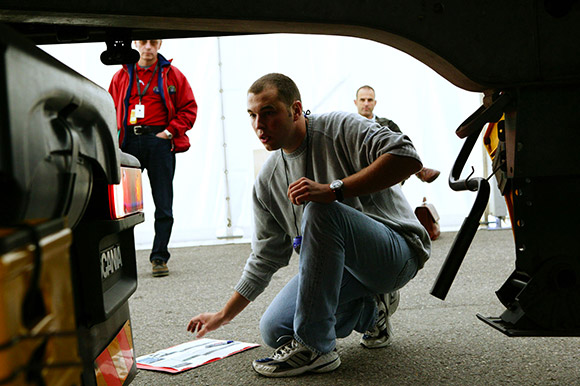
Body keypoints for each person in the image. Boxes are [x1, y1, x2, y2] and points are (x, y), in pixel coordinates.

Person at [187, 73, 431, 377]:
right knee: (274, 329)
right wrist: (223, 315)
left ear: (296, 109)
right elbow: (265, 257)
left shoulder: (340, 128)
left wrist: (334, 190)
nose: (259, 125)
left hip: (395, 252)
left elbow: (408, 158)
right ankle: (372, 311)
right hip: (343, 269)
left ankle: (316, 348)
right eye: (252, 115)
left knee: (320, 208)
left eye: (269, 112)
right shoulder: (267, 182)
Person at [109, 39, 197, 277]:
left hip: (158, 141)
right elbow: (109, 107)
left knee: (163, 203)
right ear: (136, 43)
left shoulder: (172, 75)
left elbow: (189, 108)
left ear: (159, 44)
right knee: (123, 206)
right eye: (144, 42)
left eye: (153, 42)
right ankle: (122, 260)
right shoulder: (122, 76)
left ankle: (159, 257)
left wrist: (168, 132)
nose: (148, 47)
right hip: (129, 142)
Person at [354, 85, 440, 183]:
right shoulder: (350, 127)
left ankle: (418, 169)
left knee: (397, 145)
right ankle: (419, 171)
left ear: (375, 103)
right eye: (362, 100)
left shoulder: (387, 124)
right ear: (356, 102)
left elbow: (404, 145)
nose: (366, 103)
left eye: (369, 100)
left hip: (385, 169)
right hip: (359, 170)